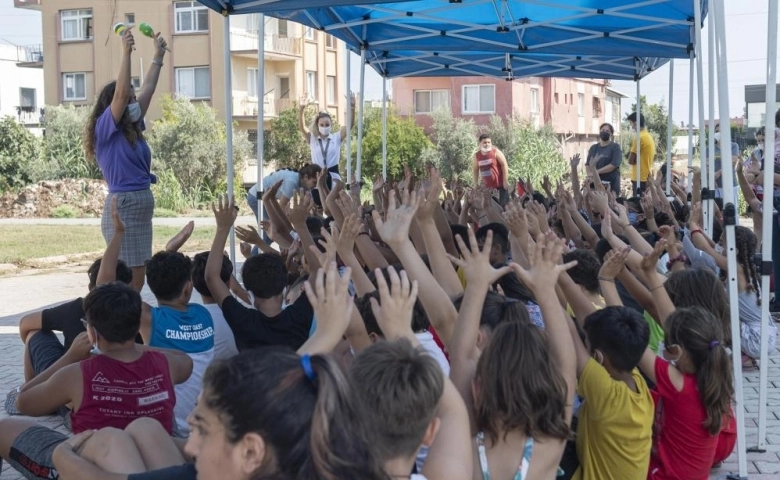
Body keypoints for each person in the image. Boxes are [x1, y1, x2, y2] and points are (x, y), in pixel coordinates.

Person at [84, 24, 168, 292]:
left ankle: (129, 325)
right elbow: (121, 92)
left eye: (133, 99)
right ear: (113, 104)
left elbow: (149, 88)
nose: (133, 102)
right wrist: (126, 51)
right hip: (124, 208)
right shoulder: (105, 129)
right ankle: (119, 325)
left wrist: (158, 55)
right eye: (128, 99)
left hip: (141, 206)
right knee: (123, 281)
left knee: (138, 281)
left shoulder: (133, 124)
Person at [298, 95, 355, 187]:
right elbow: (302, 128)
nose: (324, 127)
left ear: (331, 124)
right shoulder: (313, 139)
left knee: (333, 201)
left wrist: (352, 108)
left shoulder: (336, 138)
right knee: (318, 200)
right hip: (316, 177)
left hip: (333, 176)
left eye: (327, 124)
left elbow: (350, 126)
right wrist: (301, 109)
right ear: (317, 125)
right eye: (322, 125)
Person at [472, 134, 510, 207]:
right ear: (480, 143)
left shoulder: (495, 152)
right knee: (490, 211)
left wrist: (505, 181)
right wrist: (476, 184)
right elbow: (475, 169)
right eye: (485, 142)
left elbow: (504, 164)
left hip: (500, 187)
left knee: (504, 209)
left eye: (489, 142)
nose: (487, 144)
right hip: (486, 190)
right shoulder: (477, 156)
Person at [586, 123, 623, 194]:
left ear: (611, 135)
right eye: (603, 130)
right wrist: (590, 175)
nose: (604, 132)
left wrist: (595, 172)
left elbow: (614, 165)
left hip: (611, 183)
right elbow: (587, 164)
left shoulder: (615, 147)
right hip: (595, 182)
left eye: (607, 131)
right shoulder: (593, 148)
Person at [627, 112, 656, 196]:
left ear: (635, 123)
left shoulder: (639, 138)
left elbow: (630, 160)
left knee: (638, 204)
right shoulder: (648, 137)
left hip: (639, 177)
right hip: (646, 176)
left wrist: (632, 156)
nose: (631, 126)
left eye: (631, 123)